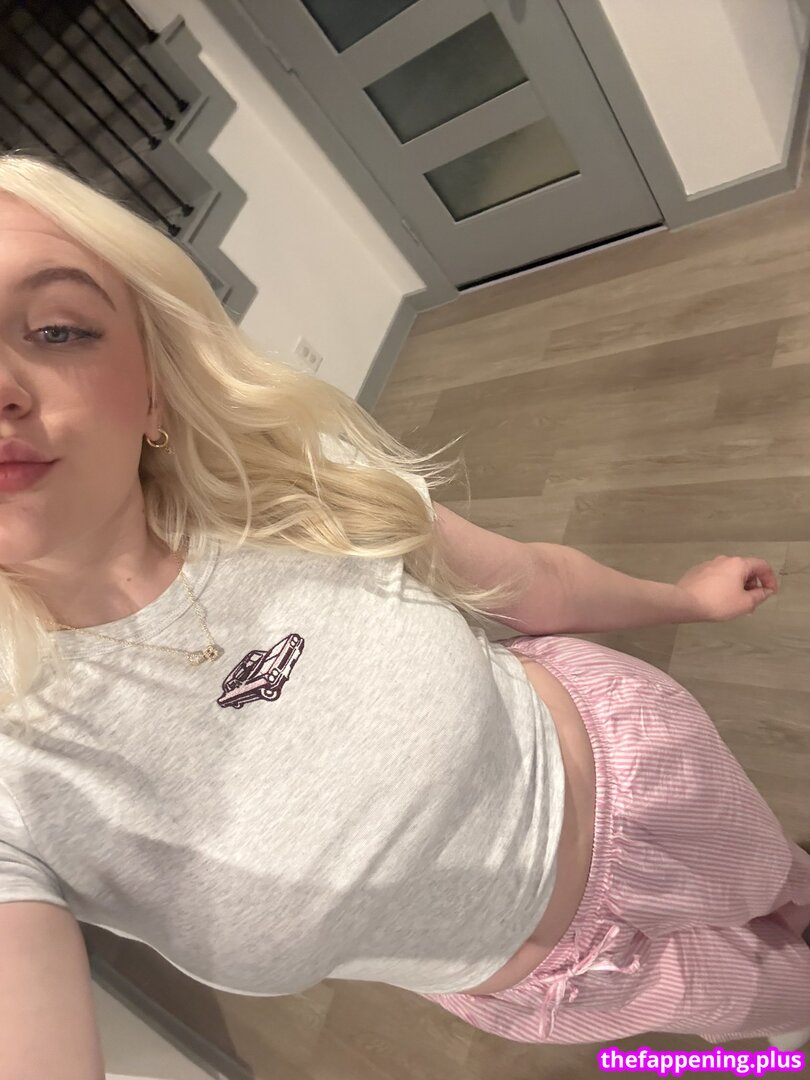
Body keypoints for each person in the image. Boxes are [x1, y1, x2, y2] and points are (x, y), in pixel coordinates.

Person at [0, 153, 807, 1078]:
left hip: (655, 768)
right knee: (773, 1010)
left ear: (152, 386)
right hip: (571, 985)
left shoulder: (292, 491)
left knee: (784, 884)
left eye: (56, 329)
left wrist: (687, 601)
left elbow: (532, 580)